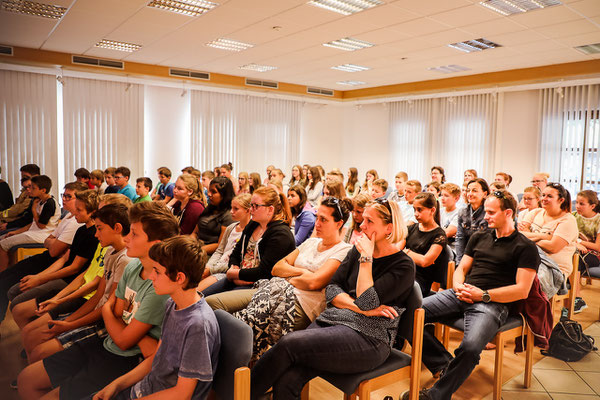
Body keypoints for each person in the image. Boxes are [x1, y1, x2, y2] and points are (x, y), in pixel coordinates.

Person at [250, 199, 414, 400]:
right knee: (288, 379)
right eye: (363, 220)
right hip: (333, 321)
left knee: (289, 343)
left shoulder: (403, 265)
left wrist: (366, 260)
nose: (361, 225)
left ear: (389, 227)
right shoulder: (356, 250)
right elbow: (332, 290)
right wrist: (360, 309)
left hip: (369, 339)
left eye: (369, 221)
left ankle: (241, 396)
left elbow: (366, 300)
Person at [18, 201, 180, 400]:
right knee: (27, 379)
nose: (127, 237)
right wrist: (112, 312)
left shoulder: (159, 286)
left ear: (155, 244)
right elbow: (114, 311)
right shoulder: (133, 267)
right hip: (106, 342)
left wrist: (110, 311)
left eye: (134, 234)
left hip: (123, 358)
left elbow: (122, 336)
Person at [405, 190, 540, 400]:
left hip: (492, 303)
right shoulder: (479, 237)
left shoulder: (525, 246)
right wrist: (458, 286)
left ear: (508, 213)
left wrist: (483, 295)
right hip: (462, 293)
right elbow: (462, 268)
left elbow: (522, 290)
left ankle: (436, 396)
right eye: (486, 211)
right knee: (407, 314)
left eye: (491, 212)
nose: (485, 217)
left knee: (470, 348)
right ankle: (442, 362)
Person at [92, 236, 220, 400]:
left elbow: (182, 394)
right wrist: (116, 385)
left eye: (157, 272)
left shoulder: (198, 325)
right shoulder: (171, 304)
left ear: (179, 278)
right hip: (144, 389)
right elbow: (156, 359)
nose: (151, 276)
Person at [235, 197, 353, 358]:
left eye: (323, 220)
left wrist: (290, 276)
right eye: (317, 217)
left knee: (240, 326)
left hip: (302, 303)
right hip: (275, 288)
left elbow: (314, 283)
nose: (317, 224)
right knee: (215, 304)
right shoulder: (311, 243)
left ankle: (240, 372)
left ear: (339, 224)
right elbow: (277, 268)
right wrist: (302, 273)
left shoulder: (344, 250)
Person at [21, 203, 132, 363]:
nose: (95, 234)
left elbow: (107, 305)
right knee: (32, 336)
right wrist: (67, 320)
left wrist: (70, 324)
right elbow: (98, 297)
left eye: (100, 228)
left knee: (39, 349)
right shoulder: (109, 251)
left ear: (117, 228)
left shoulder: (125, 259)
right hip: (95, 312)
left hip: (104, 322)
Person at [9, 190, 101, 330]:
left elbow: (75, 268)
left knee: (17, 300)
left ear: (92, 212)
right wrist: (39, 277)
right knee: (14, 291)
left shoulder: (94, 235)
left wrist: (41, 279)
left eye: (79, 210)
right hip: (66, 276)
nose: (74, 213)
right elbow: (65, 259)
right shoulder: (81, 230)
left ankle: (32, 330)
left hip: (69, 280)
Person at [202, 186, 296, 312]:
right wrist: (234, 267)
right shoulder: (253, 224)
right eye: (251, 205)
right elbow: (235, 253)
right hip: (238, 277)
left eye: (255, 206)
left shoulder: (281, 235)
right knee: (200, 298)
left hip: (259, 286)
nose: (251, 209)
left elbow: (266, 272)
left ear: (270, 209)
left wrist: (236, 274)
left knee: (212, 304)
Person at [0, 175, 61, 271]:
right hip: (33, 232)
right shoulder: (39, 201)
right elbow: (32, 224)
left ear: (43, 190)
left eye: (33, 188)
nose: (30, 190)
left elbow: (41, 225)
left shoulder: (50, 203)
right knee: (2, 238)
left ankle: (2, 273)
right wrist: (16, 232)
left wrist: (33, 210)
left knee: (2, 244)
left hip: (42, 235)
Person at [519, 182, 577, 278]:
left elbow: (552, 248)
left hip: (554, 268)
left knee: (525, 280)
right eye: (543, 195)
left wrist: (529, 238)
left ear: (561, 200)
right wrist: (545, 237)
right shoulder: (536, 212)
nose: (544, 199)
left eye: (549, 196)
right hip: (530, 260)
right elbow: (519, 234)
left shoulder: (568, 220)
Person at [197, 194, 252, 292]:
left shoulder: (251, 233)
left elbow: (238, 261)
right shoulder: (231, 228)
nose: (231, 212)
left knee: (200, 291)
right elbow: (220, 251)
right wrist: (209, 266)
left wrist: (212, 270)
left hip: (226, 271)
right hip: (216, 266)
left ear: (247, 210)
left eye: (236, 209)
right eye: (231, 208)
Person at [403, 192, 448, 296]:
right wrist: (412, 256)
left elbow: (424, 261)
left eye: (420, 210)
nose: (415, 214)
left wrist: (406, 252)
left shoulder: (439, 235)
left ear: (432, 210)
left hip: (419, 282)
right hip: (404, 272)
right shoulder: (411, 229)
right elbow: (396, 251)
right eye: (414, 209)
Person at [572, 190, 600, 313]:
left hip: (595, 255)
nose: (577, 206)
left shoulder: (598, 220)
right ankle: (571, 296)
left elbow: (598, 247)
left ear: (592, 206)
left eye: (582, 204)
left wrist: (579, 242)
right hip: (575, 249)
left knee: (575, 261)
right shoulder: (573, 216)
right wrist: (576, 243)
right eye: (577, 202)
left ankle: (576, 298)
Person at [191, 177, 235, 254]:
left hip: (210, 253)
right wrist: (189, 244)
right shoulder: (210, 208)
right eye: (209, 191)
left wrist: (197, 251)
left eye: (213, 192)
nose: (209, 194)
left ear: (224, 195)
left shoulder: (228, 215)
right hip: (198, 247)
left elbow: (220, 245)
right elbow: (195, 233)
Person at [456, 178, 490, 263]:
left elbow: (487, 242)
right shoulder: (462, 212)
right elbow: (460, 238)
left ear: (485, 194)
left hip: (483, 257)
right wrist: (460, 262)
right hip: (466, 255)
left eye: (474, 191)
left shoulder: (489, 213)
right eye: (468, 190)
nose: (470, 194)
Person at [439, 183, 460, 250]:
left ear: (456, 198)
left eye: (446, 196)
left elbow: (446, 233)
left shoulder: (459, 213)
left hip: (451, 248)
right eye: (441, 195)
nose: (442, 198)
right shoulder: (439, 211)